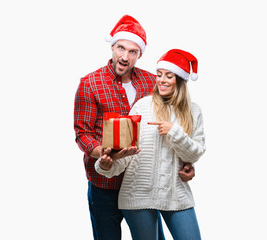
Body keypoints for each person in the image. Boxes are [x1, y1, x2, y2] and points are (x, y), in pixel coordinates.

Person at [74, 15, 195, 240]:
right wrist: (105, 154)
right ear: (113, 46)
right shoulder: (90, 83)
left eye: (132, 51)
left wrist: (186, 163)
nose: (125, 56)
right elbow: (82, 133)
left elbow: (174, 125)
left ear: (140, 54)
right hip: (105, 183)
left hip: (143, 185)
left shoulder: (152, 83)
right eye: (121, 48)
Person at [95, 49, 206, 240]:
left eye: (169, 76)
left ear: (179, 80)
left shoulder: (193, 111)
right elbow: (128, 153)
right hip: (137, 195)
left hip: (175, 194)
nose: (162, 80)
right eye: (159, 75)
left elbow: (195, 154)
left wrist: (174, 131)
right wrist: (107, 164)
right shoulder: (142, 106)